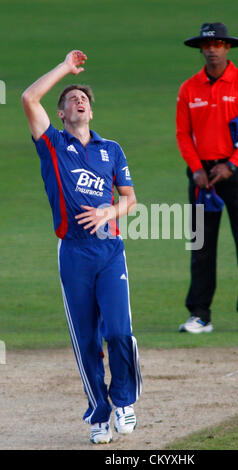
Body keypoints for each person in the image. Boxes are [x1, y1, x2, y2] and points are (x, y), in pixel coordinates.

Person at [22, 50, 142, 444]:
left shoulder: (111, 150)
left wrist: (109, 210)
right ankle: (98, 414)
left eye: (84, 99)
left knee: (120, 332)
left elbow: (130, 199)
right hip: (72, 253)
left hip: (109, 251)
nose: (79, 101)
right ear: (62, 113)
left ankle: (124, 400)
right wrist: (65, 69)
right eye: (72, 99)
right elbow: (28, 99)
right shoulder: (53, 145)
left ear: (91, 111)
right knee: (87, 340)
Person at [176, 23, 238, 334]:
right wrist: (196, 168)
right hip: (202, 176)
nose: (212, 49)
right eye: (206, 45)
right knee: (202, 245)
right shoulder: (189, 88)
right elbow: (183, 134)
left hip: (237, 172)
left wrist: (232, 164)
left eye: (217, 44)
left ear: (227, 48)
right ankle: (200, 315)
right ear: (201, 49)